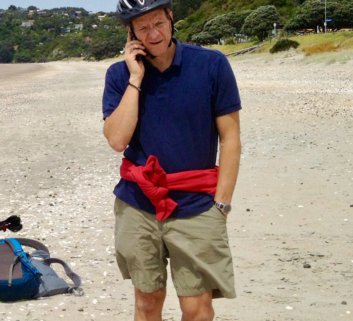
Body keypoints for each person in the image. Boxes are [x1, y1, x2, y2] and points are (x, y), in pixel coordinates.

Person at [101, 0, 242, 320]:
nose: (153, 34)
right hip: (138, 204)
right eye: (143, 28)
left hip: (197, 203)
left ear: (171, 18)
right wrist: (135, 78)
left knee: (197, 307)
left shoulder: (211, 64)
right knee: (147, 299)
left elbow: (230, 138)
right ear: (130, 33)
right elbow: (117, 139)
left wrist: (222, 204)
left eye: (159, 23)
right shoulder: (119, 74)